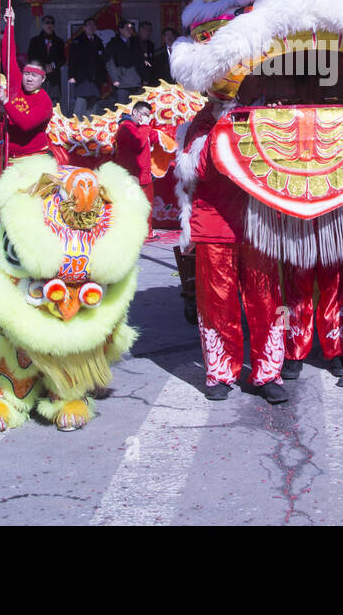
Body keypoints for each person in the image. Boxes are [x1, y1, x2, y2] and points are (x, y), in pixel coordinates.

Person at [183, 103, 287, 402]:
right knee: (217, 303)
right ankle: (220, 372)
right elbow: (198, 169)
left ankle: (268, 373)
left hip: (259, 225)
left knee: (267, 302)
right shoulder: (203, 121)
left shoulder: (265, 112)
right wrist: (222, 125)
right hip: (214, 225)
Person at [0, 5, 53, 159]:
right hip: (10, 155)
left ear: (43, 79)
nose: (29, 78)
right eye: (26, 74)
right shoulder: (17, 83)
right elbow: (8, 57)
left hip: (34, 156)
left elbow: (25, 124)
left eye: (34, 76)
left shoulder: (44, 102)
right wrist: (10, 25)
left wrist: (6, 101)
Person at [114, 100, 160, 237]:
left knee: (147, 206)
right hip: (132, 176)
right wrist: (145, 125)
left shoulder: (139, 127)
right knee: (132, 206)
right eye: (144, 114)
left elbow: (151, 137)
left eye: (148, 115)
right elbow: (138, 142)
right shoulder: (125, 127)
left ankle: (147, 232)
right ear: (134, 112)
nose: (146, 118)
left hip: (144, 173)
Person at [67, 18, 106, 115]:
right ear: (84, 27)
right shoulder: (77, 41)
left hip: (95, 79)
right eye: (89, 25)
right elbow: (72, 59)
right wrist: (72, 75)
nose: (92, 27)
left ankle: (89, 128)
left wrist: (104, 79)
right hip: (82, 77)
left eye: (94, 25)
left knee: (93, 108)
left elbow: (102, 62)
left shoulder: (98, 41)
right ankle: (77, 127)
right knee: (80, 104)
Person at [26, 15, 66, 104]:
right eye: (47, 23)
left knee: (54, 103)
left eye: (52, 23)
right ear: (43, 25)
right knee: (38, 101)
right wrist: (43, 66)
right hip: (39, 76)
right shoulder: (35, 41)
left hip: (54, 77)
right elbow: (31, 57)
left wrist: (53, 65)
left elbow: (63, 58)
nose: (50, 25)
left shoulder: (59, 41)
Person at [106, 20, 145, 105]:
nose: (130, 31)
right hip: (122, 84)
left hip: (136, 82)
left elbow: (141, 61)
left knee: (137, 109)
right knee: (123, 110)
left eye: (131, 29)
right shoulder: (113, 44)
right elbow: (110, 64)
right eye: (127, 28)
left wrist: (144, 77)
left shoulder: (135, 43)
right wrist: (115, 79)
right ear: (120, 30)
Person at [136, 21, 158, 88]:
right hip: (135, 78)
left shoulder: (150, 44)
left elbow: (150, 61)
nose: (149, 32)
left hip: (148, 79)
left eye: (150, 30)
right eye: (147, 30)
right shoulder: (132, 42)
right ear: (140, 30)